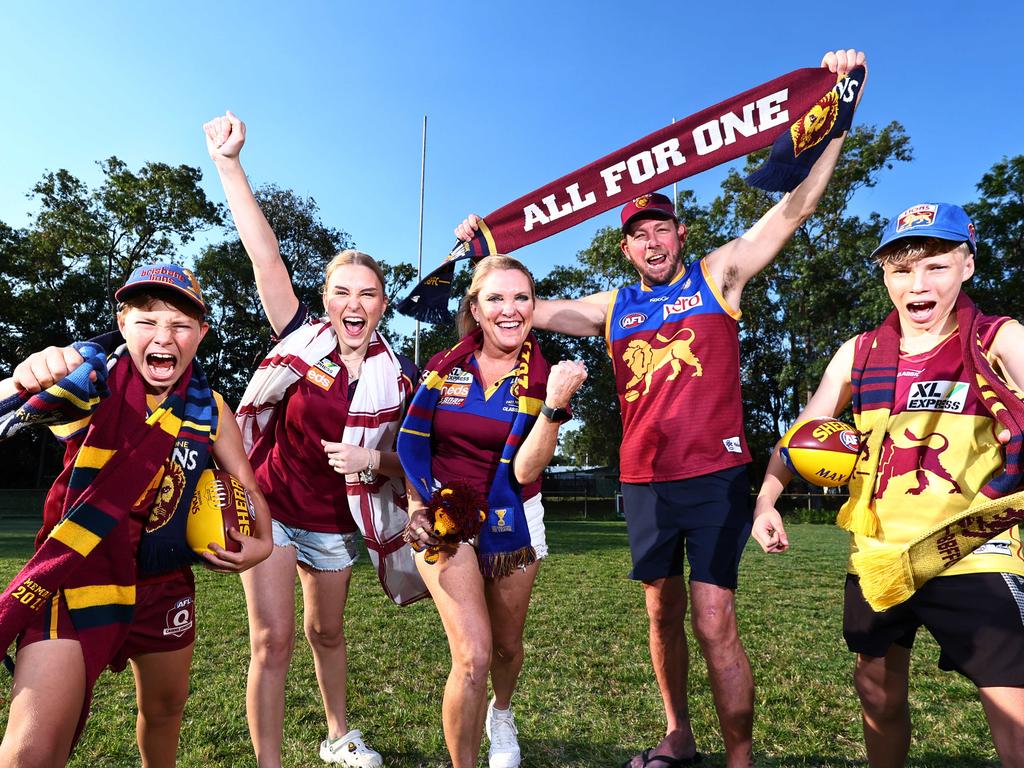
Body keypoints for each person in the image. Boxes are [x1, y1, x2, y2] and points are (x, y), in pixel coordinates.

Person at [455, 47, 867, 768]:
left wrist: (837, 120)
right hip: (644, 481)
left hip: (714, 478)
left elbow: (795, 208)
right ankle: (679, 734)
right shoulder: (612, 307)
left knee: (714, 621)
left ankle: (737, 756)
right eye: (638, 232)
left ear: (680, 234)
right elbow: (519, 306)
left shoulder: (719, 276)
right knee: (661, 613)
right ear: (625, 247)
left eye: (662, 228)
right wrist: (482, 256)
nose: (652, 239)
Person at [752, 203, 1024, 768]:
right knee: (877, 696)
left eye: (936, 267)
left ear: (967, 267)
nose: (917, 284)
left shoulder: (1000, 339)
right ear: (885, 277)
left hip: (974, 551)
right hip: (879, 558)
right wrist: (766, 500)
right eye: (902, 270)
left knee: (1014, 712)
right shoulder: (859, 353)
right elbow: (803, 432)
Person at [205, 111, 420, 768]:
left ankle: (337, 736)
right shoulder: (302, 339)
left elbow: (409, 466)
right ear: (327, 301)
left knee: (326, 631)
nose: (355, 304)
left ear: (382, 305)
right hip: (270, 508)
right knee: (272, 644)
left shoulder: (401, 378)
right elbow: (264, 252)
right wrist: (229, 165)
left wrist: (372, 459)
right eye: (342, 292)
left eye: (370, 294)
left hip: (334, 527)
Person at [0, 263, 273, 768]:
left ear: (202, 334)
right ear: (122, 324)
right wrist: (36, 366)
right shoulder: (87, 383)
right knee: (30, 752)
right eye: (147, 320)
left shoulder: (211, 409)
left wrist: (263, 541)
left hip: (163, 583)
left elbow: (250, 489)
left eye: (180, 324)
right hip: (77, 577)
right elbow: (29, 390)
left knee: (166, 710)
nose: (163, 335)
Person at [396, 255, 586, 768]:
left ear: (533, 307)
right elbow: (415, 444)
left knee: (505, 648)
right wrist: (417, 503)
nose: (510, 309)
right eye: (495, 298)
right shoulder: (443, 367)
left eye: (521, 298)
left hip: (515, 517)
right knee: (473, 656)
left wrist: (553, 406)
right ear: (475, 309)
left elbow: (525, 471)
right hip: (444, 517)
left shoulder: (547, 374)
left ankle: (501, 714)